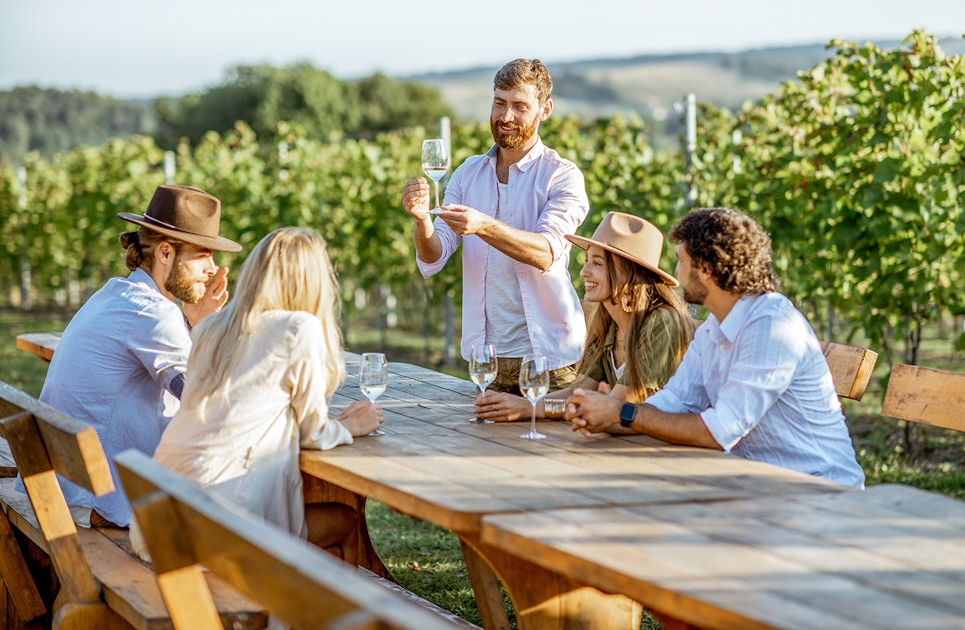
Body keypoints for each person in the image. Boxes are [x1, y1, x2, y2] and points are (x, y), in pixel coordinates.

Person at [565, 208, 865, 488]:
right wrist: (610, 415)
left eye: (681, 261)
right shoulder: (713, 329)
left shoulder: (771, 326)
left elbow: (720, 431)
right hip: (755, 484)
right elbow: (674, 402)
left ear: (705, 269)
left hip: (818, 488)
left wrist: (624, 413)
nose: (677, 272)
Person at [135, 227, 383, 562]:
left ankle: (305, 608)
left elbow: (242, 412)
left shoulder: (210, 327)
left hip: (158, 520)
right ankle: (330, 614)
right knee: (346, 521)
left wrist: (332, 421)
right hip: (219, 525)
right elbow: (312, 434)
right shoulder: (298, 328)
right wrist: (351, 426)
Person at [39, 184, 241, 528]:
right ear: (165, 253)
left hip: (66, 492)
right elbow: (205, 401)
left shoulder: (115, 295)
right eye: (203, 255)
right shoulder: (154, 315)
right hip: (103, 507)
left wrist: (193, 323)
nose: (213, 268)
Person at [400, 58, 589, 394]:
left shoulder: (562, 176)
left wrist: (483, 225)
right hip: (486, 358)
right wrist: (421, 220)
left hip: (549, 358)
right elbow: (433, 257)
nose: (506, 117)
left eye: (520, 106)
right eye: (500, 103)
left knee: (554, 448)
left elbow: (546, 252)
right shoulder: (467, 173)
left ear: (545, 110)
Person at [474, 211, 693, 422]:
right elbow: (577, 394)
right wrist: (526, 406)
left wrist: (530, 408)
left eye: (597, 263)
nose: (584, 271)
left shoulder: (661, 321)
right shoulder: (608, 322)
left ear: (628, 272)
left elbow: (615, 407)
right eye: (587, 261)